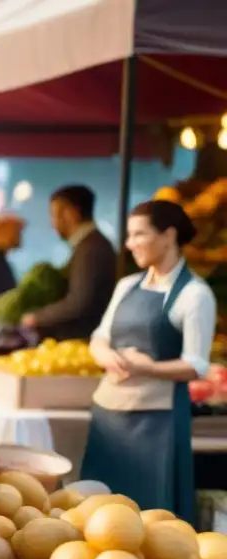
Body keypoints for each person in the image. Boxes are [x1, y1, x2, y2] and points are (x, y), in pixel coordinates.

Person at [81, 200, 216, 524]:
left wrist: (145, 368)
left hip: (156, 424)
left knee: (151, 520)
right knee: (95, 516)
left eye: (139, 234)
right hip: (108, 418)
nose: (129, 244)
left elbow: (196, 365)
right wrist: (105, 354)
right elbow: (99, 336)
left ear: (168, 235)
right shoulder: (126, 286)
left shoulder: (195, 295)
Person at [22, 185, 117, 340]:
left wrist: (36, 317)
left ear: (70, 213)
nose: (52, 224)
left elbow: (79, 302)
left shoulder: (91, 249)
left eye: (54, 215)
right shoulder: (90, 245)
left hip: (85, 340)